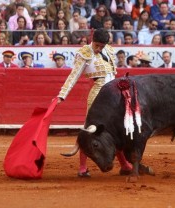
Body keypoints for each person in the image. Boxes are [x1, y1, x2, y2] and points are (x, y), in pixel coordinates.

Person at [56, 28, 132, 177]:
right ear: (92, 39)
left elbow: (112, 74)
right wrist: (62, 95)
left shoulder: (109, 50)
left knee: (115, 132)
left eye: (102, 46)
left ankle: (124, 164)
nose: (99, 49)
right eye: (97, 45)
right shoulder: (84, 53)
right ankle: (83, 168)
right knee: (89, 131)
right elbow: (73, 76)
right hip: (98, 96)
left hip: (115, 96)